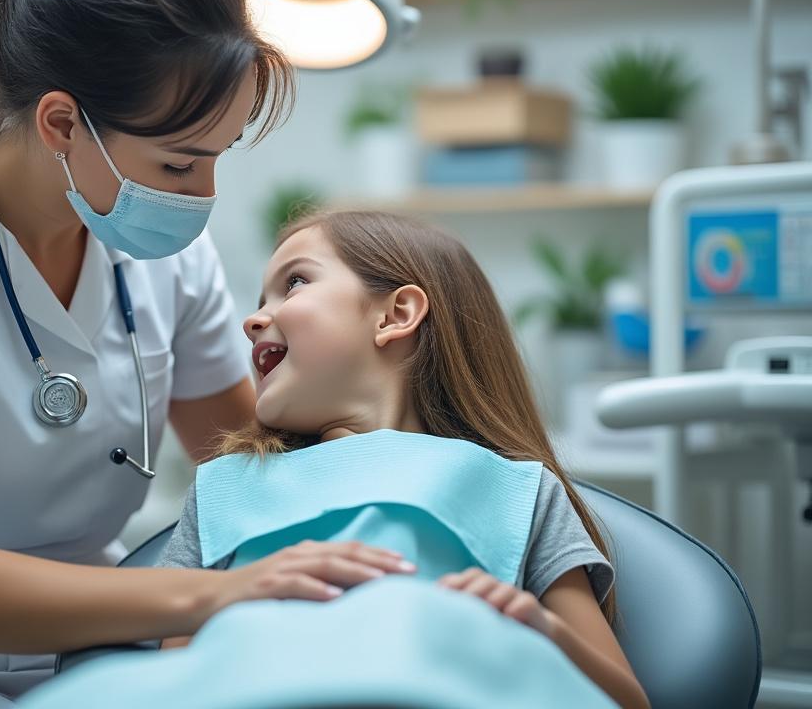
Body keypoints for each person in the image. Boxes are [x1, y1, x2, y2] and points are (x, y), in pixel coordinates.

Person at [0, 0, 410, 707]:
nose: (203, 195)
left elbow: (250, 462)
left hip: (98, 648)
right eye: (179, 166)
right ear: (61, 123)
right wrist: (213, 595)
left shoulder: (170, 264)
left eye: (219, 157)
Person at [156, 210, 651, 709]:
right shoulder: (222, 488)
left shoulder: (519, 492)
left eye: (296, 282)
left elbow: (627, 703)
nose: (253, 319)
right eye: (262, 299)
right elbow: (168, 684)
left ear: (395, 315)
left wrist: (542, 635)